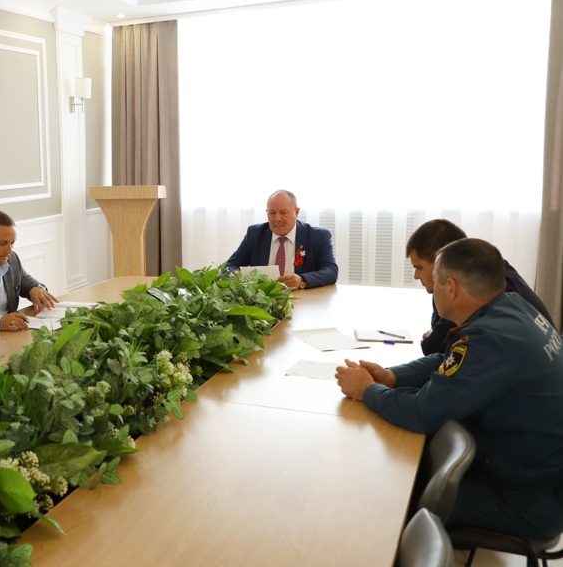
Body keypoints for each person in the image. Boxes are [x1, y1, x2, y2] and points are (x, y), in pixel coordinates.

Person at [336, 238, 563, 539]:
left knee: (389, 500)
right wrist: (391, 377)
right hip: (526, 472)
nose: (430, 287)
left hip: (527, 500)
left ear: (452, 287)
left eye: (435, 280)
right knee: (407, 462)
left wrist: (367, 390)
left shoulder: (492, 340)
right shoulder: (510, 307)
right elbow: (449, 360)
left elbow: (422, 413)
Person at [406, 219, 554, 355]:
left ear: (441, 258)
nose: (416, 276)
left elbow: (435, 347)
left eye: (419, 267)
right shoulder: (489, 268)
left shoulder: (479, 288)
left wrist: (432, 336)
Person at [225, 190, 338, 289]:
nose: (277, 218)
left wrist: (302, 280)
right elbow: (230, 266)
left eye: (283, 213)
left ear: (296, 212)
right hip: (263, 299)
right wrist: (238, 278)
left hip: (302, 298)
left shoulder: (317, 236)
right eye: (272, 213)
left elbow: (331, 271)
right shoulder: (255, 234)